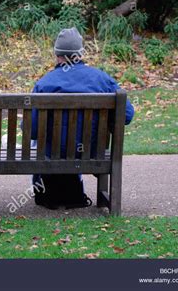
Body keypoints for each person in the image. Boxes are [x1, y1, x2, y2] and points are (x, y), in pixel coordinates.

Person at [30, 27, 134, 209]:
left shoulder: (44, 84)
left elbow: (31, 130)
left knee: (43, 145)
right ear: (80, 53)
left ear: (57, 54)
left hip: (53, 154)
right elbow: (126, 116)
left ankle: (47, 192)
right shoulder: (103, 80)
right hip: (93, 153)